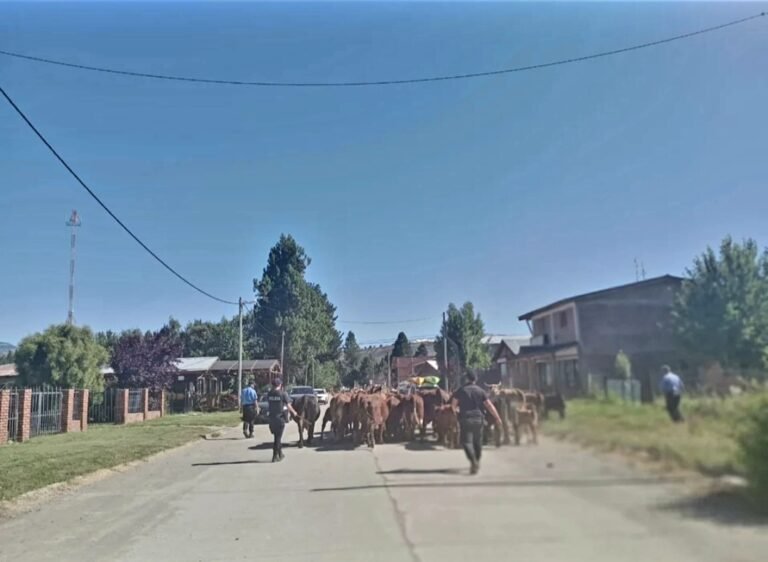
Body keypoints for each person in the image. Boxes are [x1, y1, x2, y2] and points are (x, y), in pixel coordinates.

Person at [451, 372, 503, 475]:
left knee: (466, 442)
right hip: (479, 419)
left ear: (466, 379)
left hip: (466, 419)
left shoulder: (460, 391)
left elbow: (453, 405)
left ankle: (473, 461)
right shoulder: (481, 391)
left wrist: (456, 413)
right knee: (477, 442)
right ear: (475, 380)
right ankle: (477, 461)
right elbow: (489, 406)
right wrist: (497, 418)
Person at [266, 378, 298, 462]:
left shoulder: (269, 394)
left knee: (276, 436)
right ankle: (275, 456)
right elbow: (288, 405)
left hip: (271, 418)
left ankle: (280, 454)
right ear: (280, 385)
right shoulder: (283, 394)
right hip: (280, 418)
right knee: (278, 438)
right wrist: (294, 412)